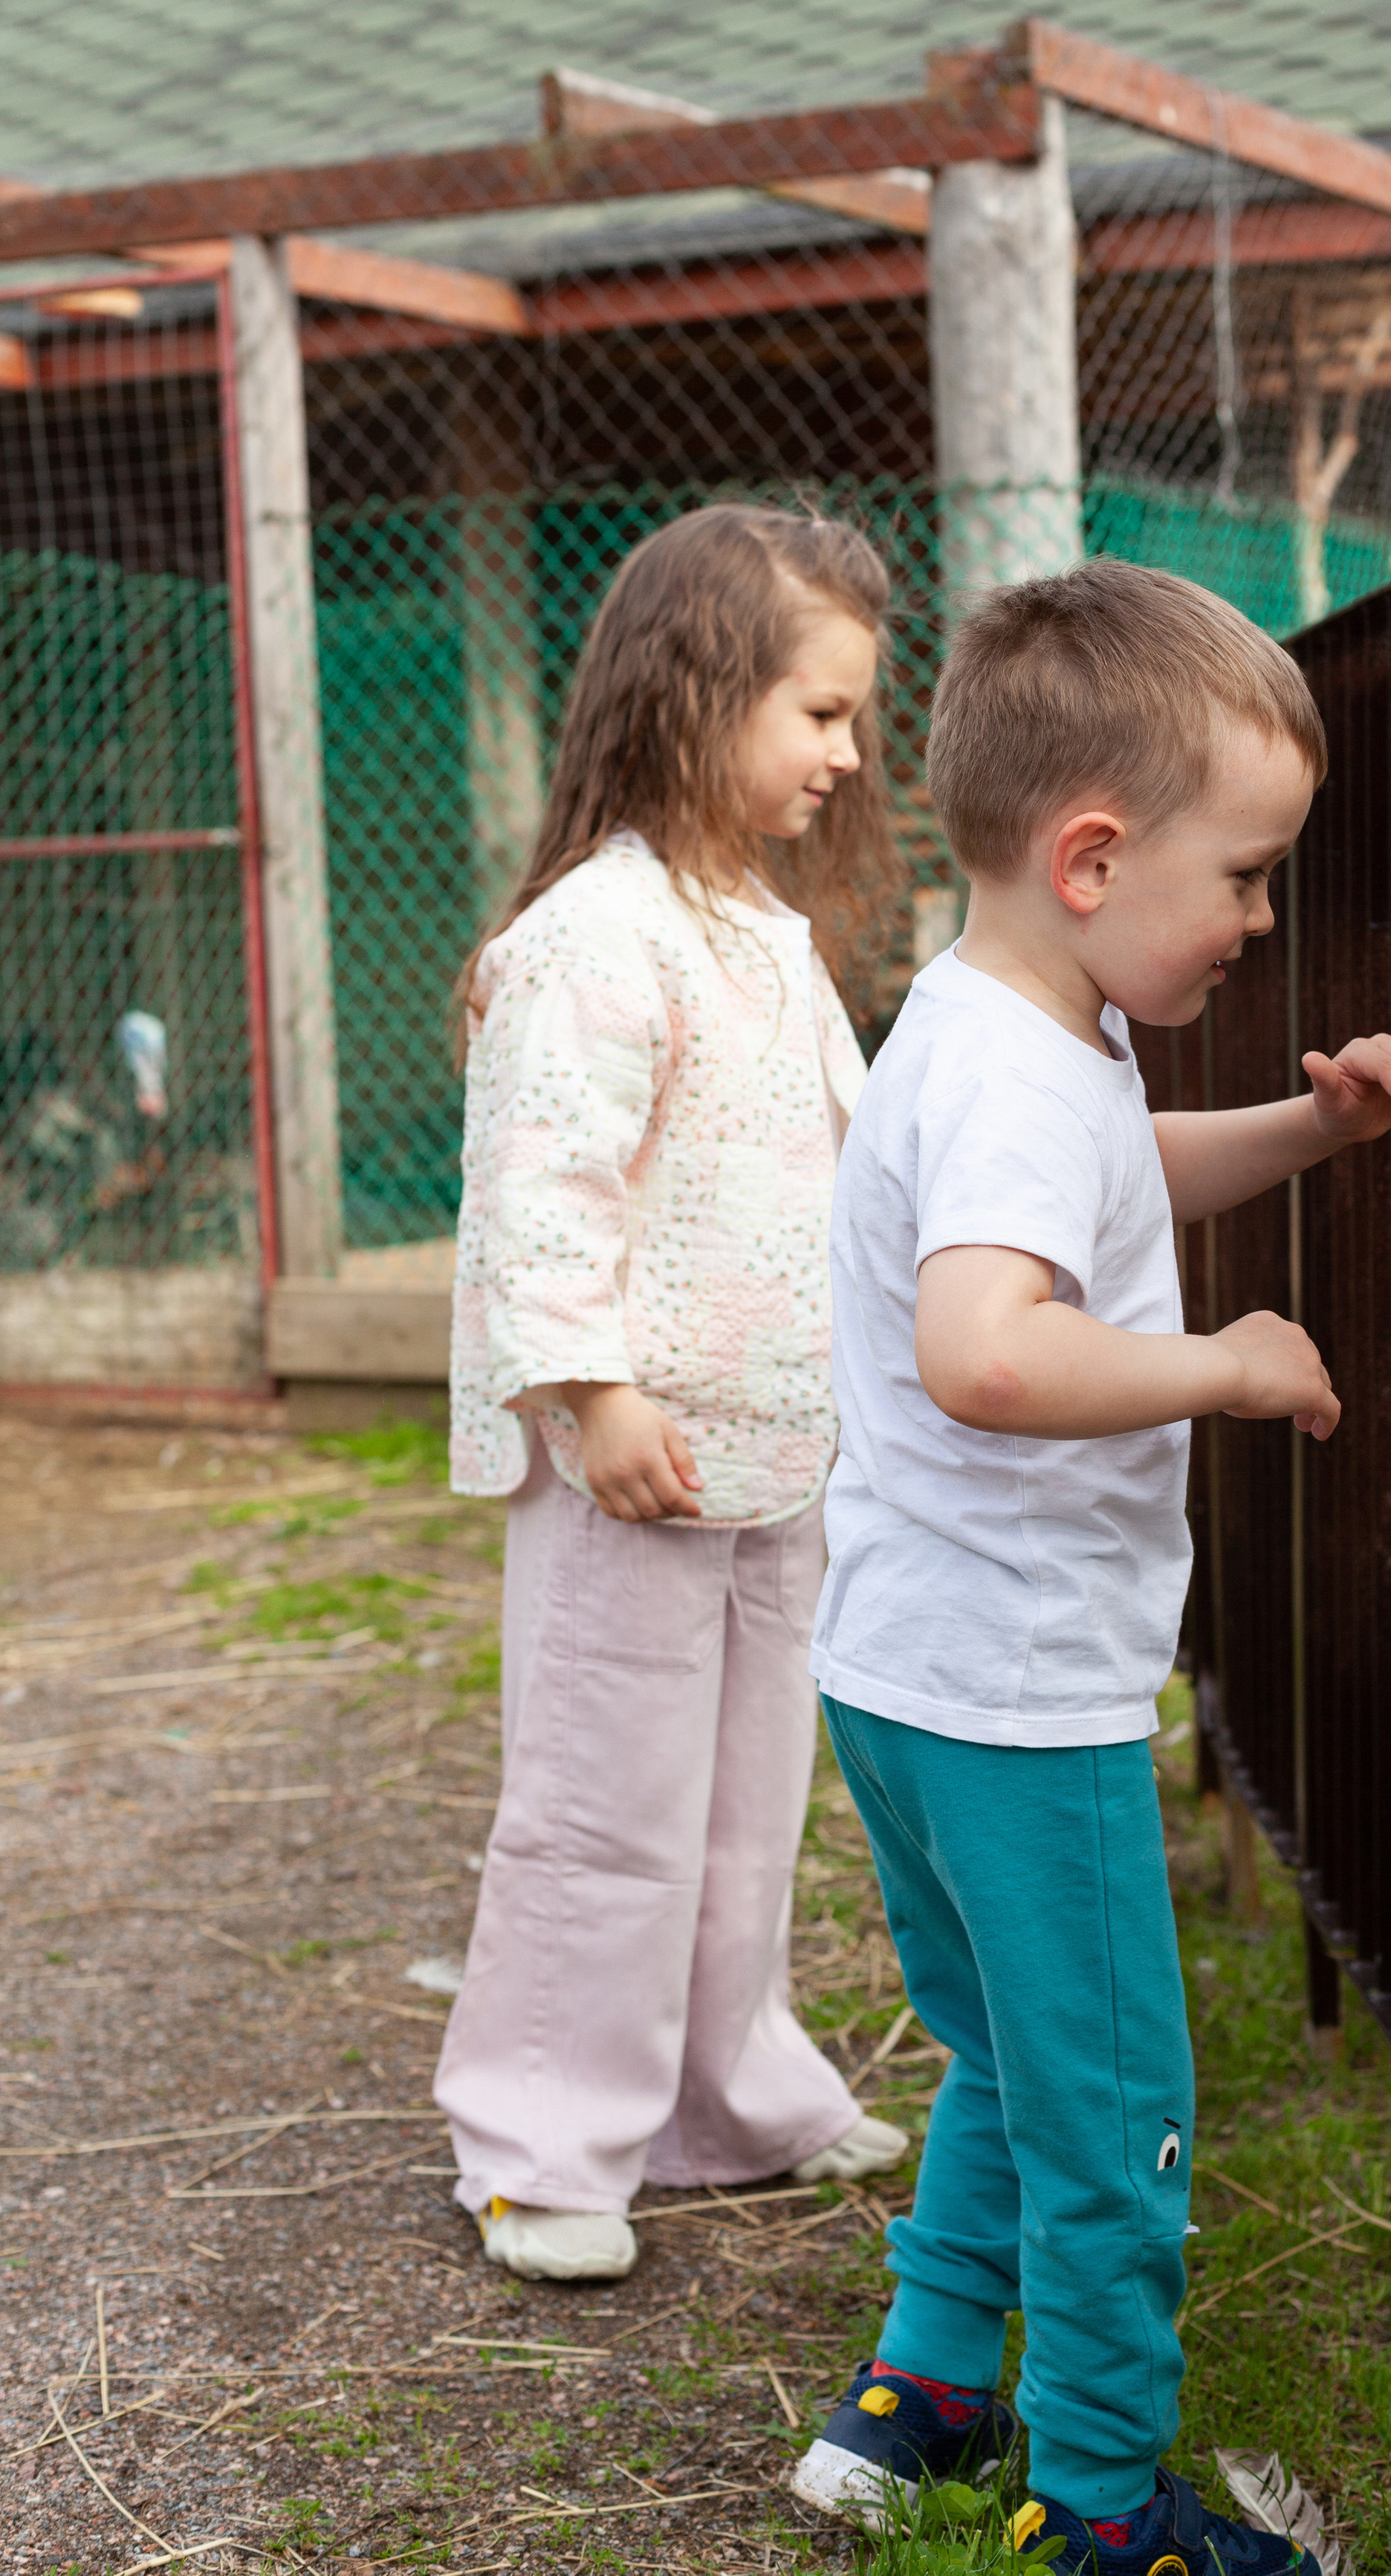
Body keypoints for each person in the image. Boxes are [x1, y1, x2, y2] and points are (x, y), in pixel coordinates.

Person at [791, 563, 1391, 2574]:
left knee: (1004, 2057)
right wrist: (1229, 1362)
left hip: (908, 1673)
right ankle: (1103, 2512)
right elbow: (988, 1345)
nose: (1260, 917)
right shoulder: (1014, 1063)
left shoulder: (998, 1024)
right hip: (1018, 1698)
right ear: (1094, 857)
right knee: (1119, 2123)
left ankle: (912, 2408)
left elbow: (1112, 1170)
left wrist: (1309, 1130)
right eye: (1247, 874)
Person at [437, 502, 913, 2284]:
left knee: (739, 1808)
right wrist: (594, 1388)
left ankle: (721, 2093)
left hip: (772, 1459)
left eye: (854, 715)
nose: (848, 754)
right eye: (817, 713)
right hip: (631, 1461)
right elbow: (540, 1182)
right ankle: (538, 2138)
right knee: (600, 1808)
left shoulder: (759, 932)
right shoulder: (596, 937)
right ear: (694, 692)